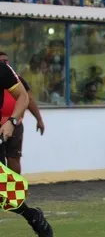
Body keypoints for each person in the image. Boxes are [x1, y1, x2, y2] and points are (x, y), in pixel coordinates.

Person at [0, 61, 54, 237]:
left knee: (4, 193)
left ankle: (31, 215)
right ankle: (31, 215)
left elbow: (23, 97)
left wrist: (12, 121)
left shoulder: (2, 69)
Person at [0, 52, 46, 174]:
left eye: (6, 61)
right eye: (2, 60)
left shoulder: (11, 76)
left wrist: (13, 120)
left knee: (12, 158)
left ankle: (12, 189)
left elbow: (27, 99)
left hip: (12, 125)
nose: (5, 63)